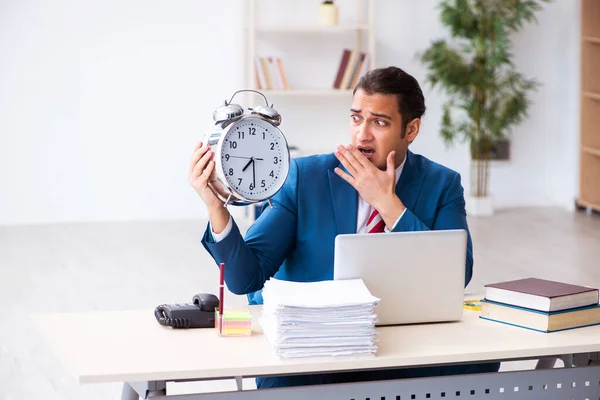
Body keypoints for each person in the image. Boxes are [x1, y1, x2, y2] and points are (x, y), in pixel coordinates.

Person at [188, 66, 500, 388]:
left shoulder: (442, 184)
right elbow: (244, 278)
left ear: (411, 129)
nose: (362, 134)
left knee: (481, 360)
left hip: (404, 341)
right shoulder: (306, 177)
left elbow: (456, 275)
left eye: (379, 122)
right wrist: (215, 206)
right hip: (319, 348)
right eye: (355, 118)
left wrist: (388, 205)